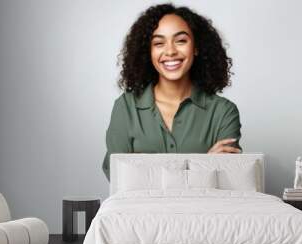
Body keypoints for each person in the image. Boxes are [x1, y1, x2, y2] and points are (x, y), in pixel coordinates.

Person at [102, 3, 242, 182]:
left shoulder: (224, 112)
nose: (170, 51)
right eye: (159, 43)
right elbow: (117, 176)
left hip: (204, 209)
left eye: (181, 41)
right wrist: (205, 165)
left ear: (196, 47)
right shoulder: (126, 107)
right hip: (141, 210)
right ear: (149, 52)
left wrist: (145, 168)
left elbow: (225, 180)